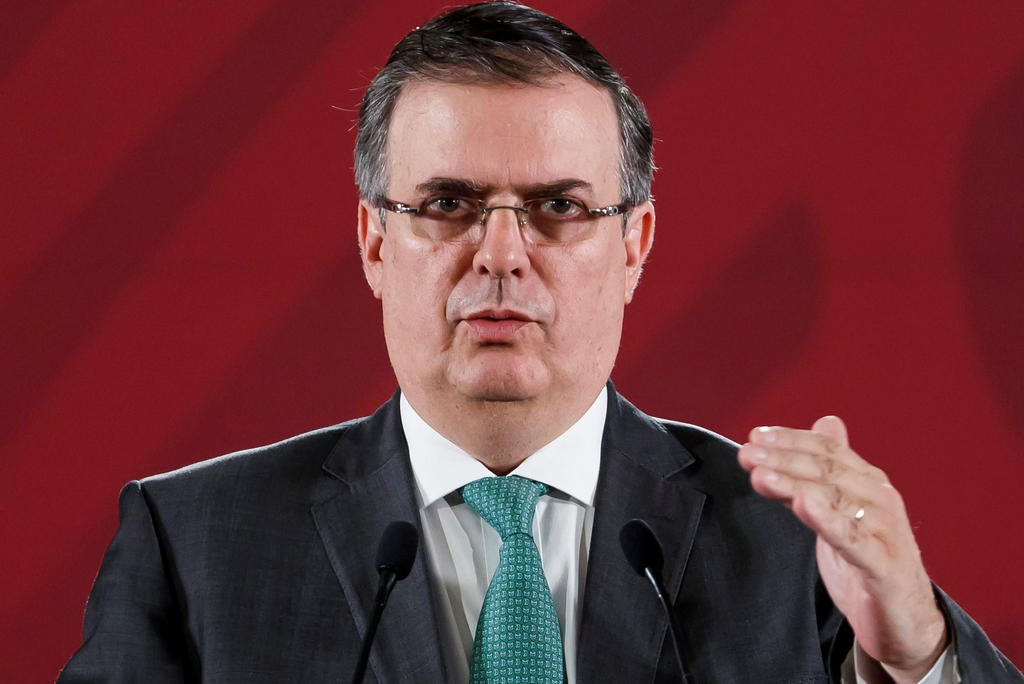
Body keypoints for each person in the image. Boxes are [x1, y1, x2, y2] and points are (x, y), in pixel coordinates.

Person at [59, 3, 1021, 683]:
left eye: (560, 207)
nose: (502, 255)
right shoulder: (194, 545)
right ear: (375, 242)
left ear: (633, 245)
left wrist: (916, 653)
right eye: (448, 203)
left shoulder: (789, 546)